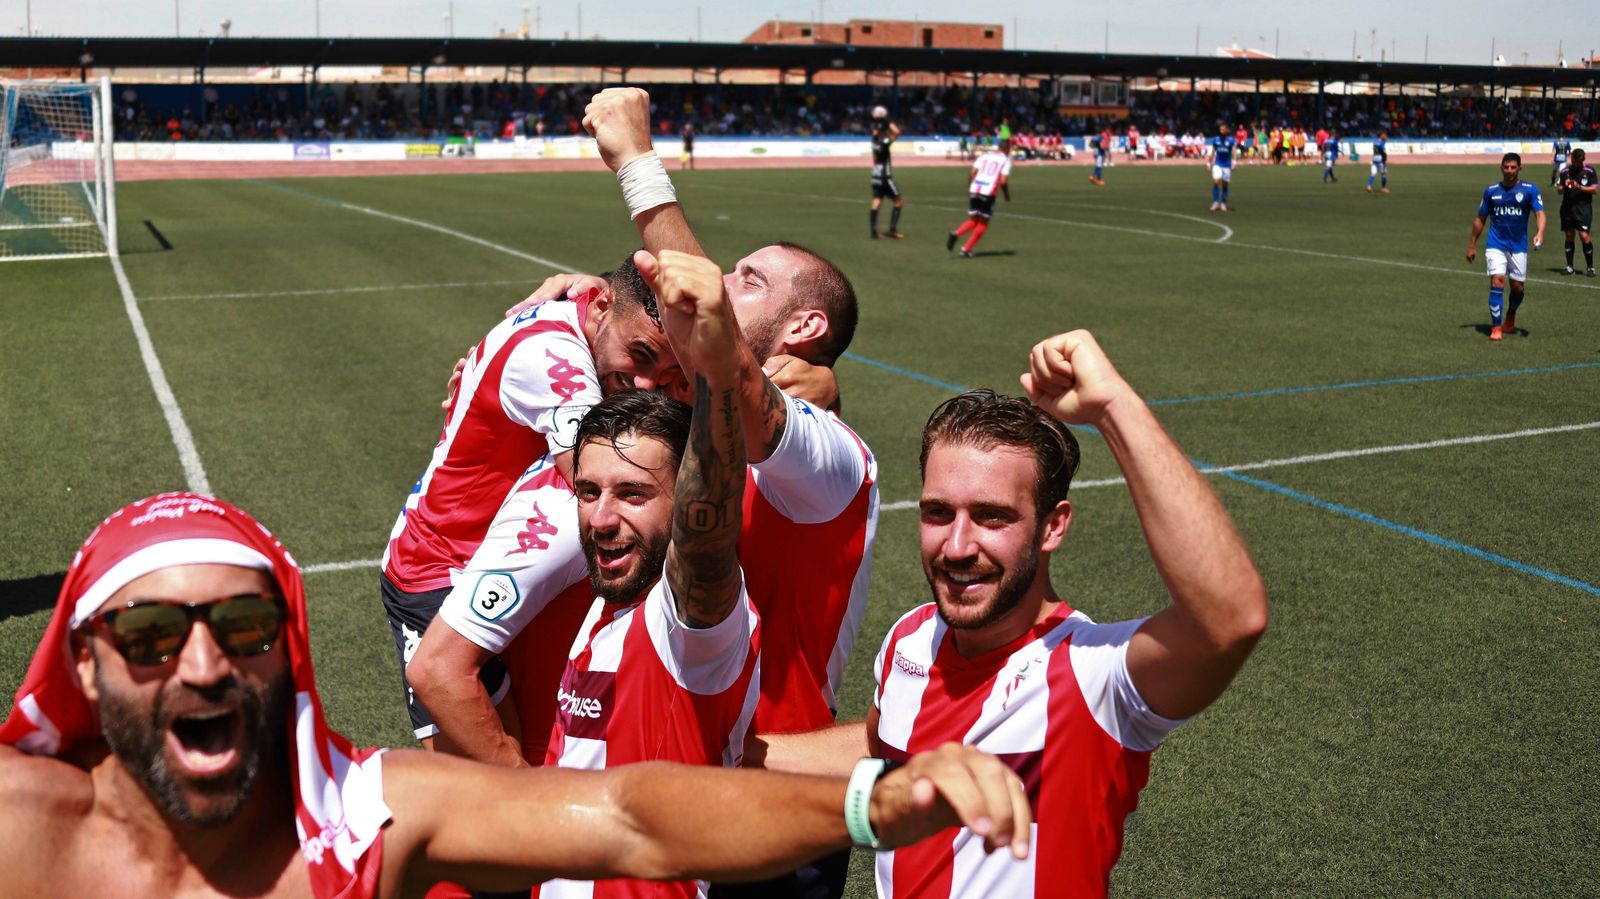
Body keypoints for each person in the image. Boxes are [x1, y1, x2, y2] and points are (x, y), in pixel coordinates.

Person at [0, 492, 1033, 898]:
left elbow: (630, 815)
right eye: (147, 634)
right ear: (83, 662)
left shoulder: (371, 817)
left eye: (242, 625)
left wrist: (868, 800)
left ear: (286, 648)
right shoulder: (15, 825)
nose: (202, 666)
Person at [746, 330, 1269, 898]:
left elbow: (1229, 620)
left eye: (993, 516)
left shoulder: (1093, 676)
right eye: (939, 512)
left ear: (1054, 525)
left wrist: (1114, 407)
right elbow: (880, 747)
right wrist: (730, 753)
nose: (957, 545)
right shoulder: (913, 639)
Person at [380, 255, 689, 751]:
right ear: (603, 307)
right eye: (641, 354)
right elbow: (603, 469)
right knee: (482, 773)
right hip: (440, 570)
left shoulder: (590, 307)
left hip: (511, 554)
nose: (649, 383)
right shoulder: (552, 357)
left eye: (671, 370)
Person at [1466, 153, 1546, 341]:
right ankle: (1496, 327)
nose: (1509, 170)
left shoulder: (1530, 190)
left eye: (1513, 167)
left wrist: (1540, 233)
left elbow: (1540, 214)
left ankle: (1510, 315)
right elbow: (1480, 219)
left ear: (1520, 168)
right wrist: (1472, 245)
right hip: (1496, 244)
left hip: (1518, 246)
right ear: (1501, 168)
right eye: (1506, 167)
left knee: (1518, 288)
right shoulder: (1491, 191)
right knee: (1497, 281)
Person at [947, 138, 1011, 258]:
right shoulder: (1005, 160)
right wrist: (1007, 196)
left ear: (998, 147)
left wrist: (971, 186)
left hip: (975, 188)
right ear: (1007, 149)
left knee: (973, 219)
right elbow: (1003, 181)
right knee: (983, 222)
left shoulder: (985, 156)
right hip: (988, 192)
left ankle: (956, 233)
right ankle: (966, 249)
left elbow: (972, 172)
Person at [1557, 147, 1597, 276]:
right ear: (1571, 158)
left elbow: (1594, 190)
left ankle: (1590, 267)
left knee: (1584, 236)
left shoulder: (1590, 171)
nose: (1577, 164)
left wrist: (1578, 186)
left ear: (1583, 160)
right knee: (1569, 235)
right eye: (1575, 161)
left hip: (1583, 208)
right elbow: (1559, 190)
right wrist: (1565, 186)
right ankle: (1569, 267)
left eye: (1579, 162)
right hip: (1567, 208)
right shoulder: (1564, 171)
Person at [869, 108, 905, 239]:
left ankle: (873, 231)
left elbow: (874, 158)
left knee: (877, 200)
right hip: (885, 176)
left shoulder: (873, 141)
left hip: (876, 175)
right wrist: (887, 120)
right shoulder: (884, 142)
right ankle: (893, 229)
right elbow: (897, 132)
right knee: (898, 201)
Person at [1208, 122, 1236, 212]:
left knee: (1225, 184)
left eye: (1223, 129)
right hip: (1218, 164)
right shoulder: (1216, 140)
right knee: (1216, 181)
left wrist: (1234, 162)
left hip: (1227, 165)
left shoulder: (1231, 140)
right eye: (1220, 129)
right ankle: (1215, 203)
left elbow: (1234, 152)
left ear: (1227, 130)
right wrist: (1209, 164)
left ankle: (1223, 203)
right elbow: (1212, 152)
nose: (1222, 131)